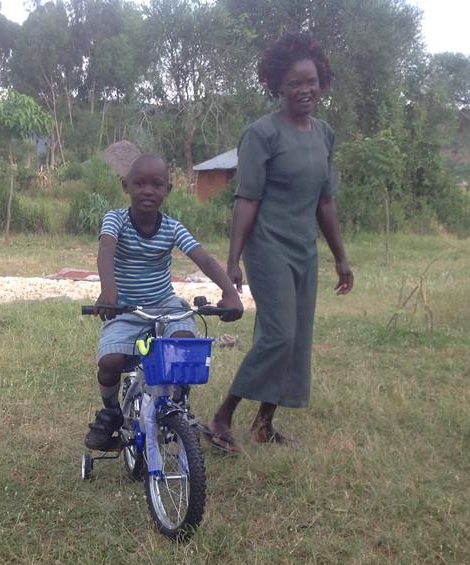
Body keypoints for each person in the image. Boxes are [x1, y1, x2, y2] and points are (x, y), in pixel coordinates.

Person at [207, 33, 354, 454]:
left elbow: (325, 202)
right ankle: (222, 417)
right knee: (278, 335)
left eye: (311, 81)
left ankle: (264, 424)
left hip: (304, 249)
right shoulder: (262, 134)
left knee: (297, 338)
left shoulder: (324, 135)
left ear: (322, 83)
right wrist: (233, 261)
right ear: (278, 85)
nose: (304, 90)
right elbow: (247, 199)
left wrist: (341, 257)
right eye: (294, 83)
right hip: (268, 246)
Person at [84, 153, 244, 451]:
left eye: (157, 184)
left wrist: (230, 292)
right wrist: (108, 289)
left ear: (167, 189)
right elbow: (106, 250)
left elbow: (204, 259)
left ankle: (177, 405)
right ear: (125, 185)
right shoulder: (115, 219)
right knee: (110, 362)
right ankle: (111, 412)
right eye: (139, 183)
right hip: (125, 308)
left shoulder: (172, 227)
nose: (148, 190)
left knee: (184, 344)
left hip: (165, 305)